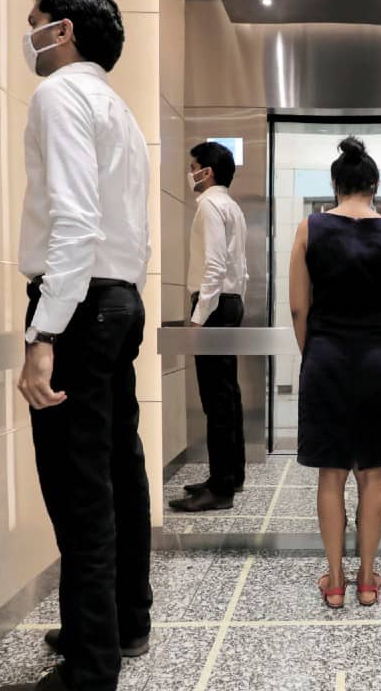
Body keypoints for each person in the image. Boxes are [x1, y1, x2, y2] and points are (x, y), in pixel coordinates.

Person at [12, 0, 152, 691]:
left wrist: (44, 333)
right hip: (118, 300)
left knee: (78, 486)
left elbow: (73, 222)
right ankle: (123, 622)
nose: (28, 33)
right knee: (119, 469)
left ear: (62, 30)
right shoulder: (117, 110)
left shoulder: (59, 95)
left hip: (78, 305)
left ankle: (91, 666)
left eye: (34, 19)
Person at [290, 137, 381, 609]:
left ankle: (335, 581)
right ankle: (366, 580)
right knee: (372, 472)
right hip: (376, 360)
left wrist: (313, 352)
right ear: (374, 184)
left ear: (335, 184)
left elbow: (298, 307)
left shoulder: (309, 228)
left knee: (331, 473)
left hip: (325, 358)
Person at [168, 142, 249, 512]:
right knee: (228, 394)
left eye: (193, 167)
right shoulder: (232, 207)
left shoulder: (209, 206)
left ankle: (220, 488)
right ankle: (231, 475)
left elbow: (214, 267)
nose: (191, 173)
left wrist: (199, 316)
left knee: (216, 398)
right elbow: (240, 269)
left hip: (214, 304)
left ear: (208, 172)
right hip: (229, 303)